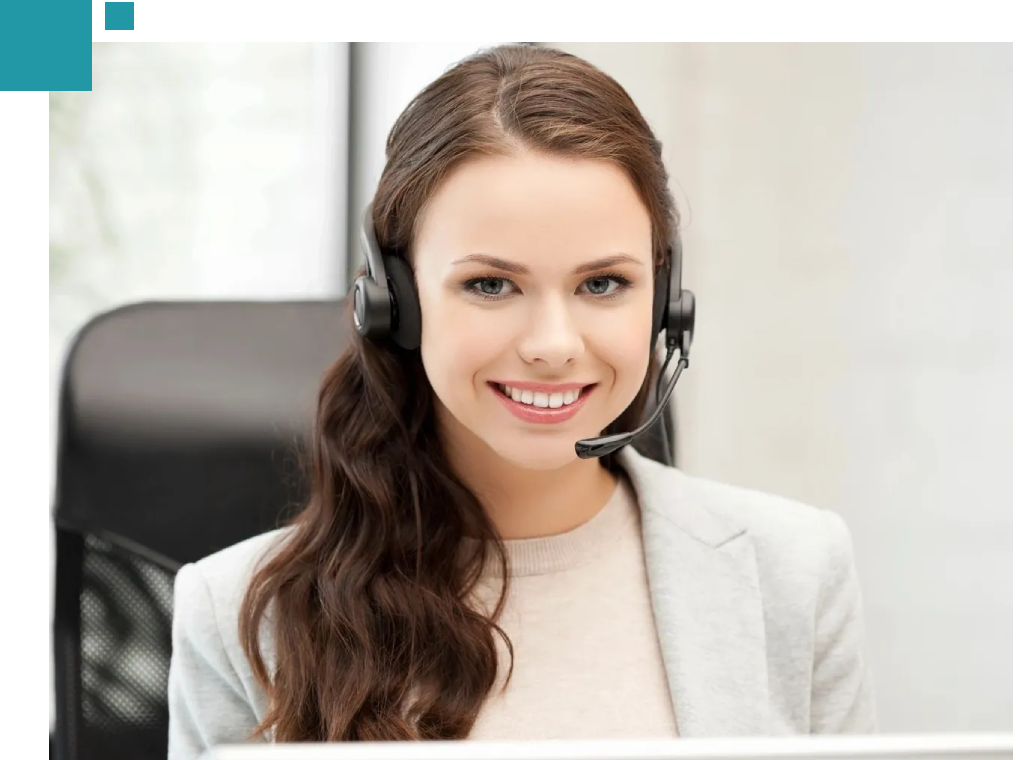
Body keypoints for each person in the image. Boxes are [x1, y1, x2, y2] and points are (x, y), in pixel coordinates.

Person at [167, 44, 876, 757]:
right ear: (394, 303)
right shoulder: (237, 616)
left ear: (664, 304)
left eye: (602, 284)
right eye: (490, 285)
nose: (553, 344)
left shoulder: (795, 570)